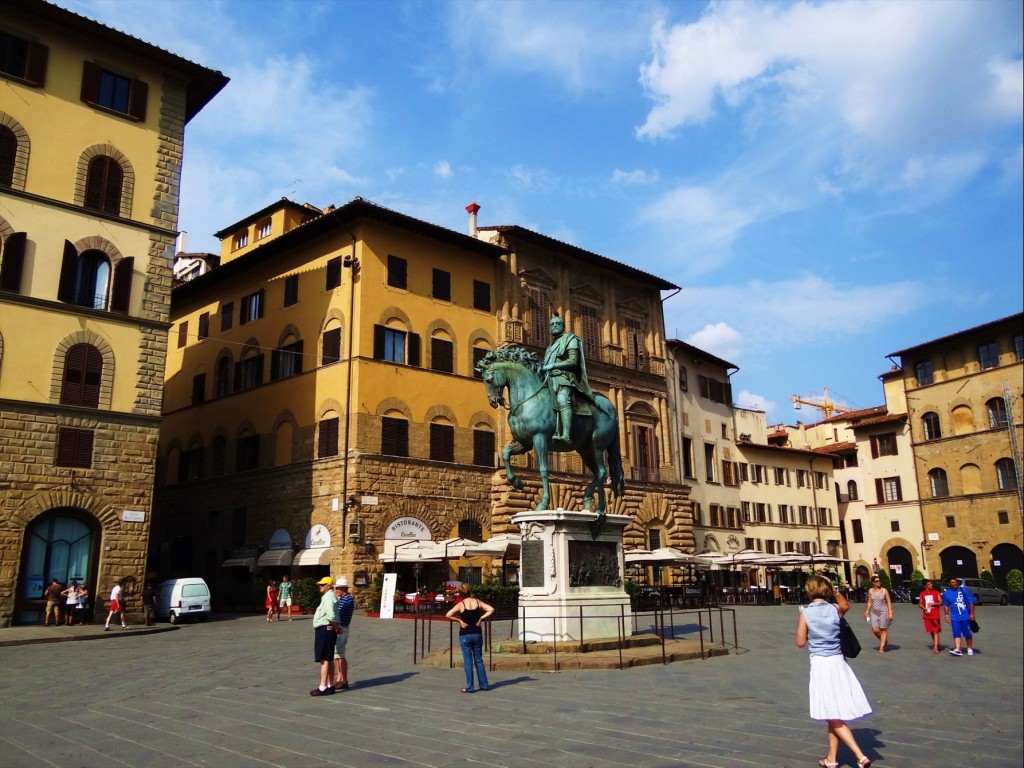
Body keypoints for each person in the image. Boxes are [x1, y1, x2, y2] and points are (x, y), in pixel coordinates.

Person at [796, 574, 873, 768]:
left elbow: (800, 642)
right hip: (839, 662)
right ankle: (831, 758)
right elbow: (845, 604)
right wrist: (834, 589)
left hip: (821, 664)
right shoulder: (835, 609)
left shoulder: (805, 612)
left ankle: (860, 756)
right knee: (833, 711)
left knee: (832, 714)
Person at [541, 314, 594, 444]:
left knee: (562, 398)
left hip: (565, 378)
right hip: (550, 378)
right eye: (552, 324)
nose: (554, 326)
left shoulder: (571, 339)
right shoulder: (550, 347)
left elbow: (573, 361)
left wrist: (553, 365)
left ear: (563, 326)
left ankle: (566, 435)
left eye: (557, 324)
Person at [445, 583, 494, 693]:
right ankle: (484, 685)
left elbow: (448, 614)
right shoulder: (477, 601)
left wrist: (459, 621)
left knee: (468, 662)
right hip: (477, 633)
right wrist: (481, 618)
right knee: (479, 660)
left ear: (461, 594)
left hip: (465, 634)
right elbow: (491, 609)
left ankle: (470, 687)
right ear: (470, 591)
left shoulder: (461, 604)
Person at [310, 576, 341, 696]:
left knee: (324, 659)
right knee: (329, 658)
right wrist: (336, 626)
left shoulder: (327, 597)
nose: (320, 586)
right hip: (329, 629)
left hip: (325, 629)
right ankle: (330, 685)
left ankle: (322, 686)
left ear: (328, 586)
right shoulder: (332, 596)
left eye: (322, 585)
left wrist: (336, 626)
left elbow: (331, 615)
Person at [942, 577, 977, 656]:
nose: (955, 583)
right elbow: (946, 605)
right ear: (949, 584)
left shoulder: (964, 590)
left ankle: (969, 648)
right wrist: (946, 615)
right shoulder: (946, 593)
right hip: (955, 617)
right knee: (956, 633)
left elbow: (971, 602)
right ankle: (958, 649)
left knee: (967, 633)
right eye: (952, 582)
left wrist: (972, 614)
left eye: (955, 582)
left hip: (965, 616)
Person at [333, 577, 355, 690]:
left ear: (343, 588)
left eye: (337, 588)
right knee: (337, 655)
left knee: (340, 655)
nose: (336, 590)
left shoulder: (347, 599)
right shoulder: (343, 599)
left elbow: (337, 613)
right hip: (340, 628)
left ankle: (344, 679)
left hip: (342, 629)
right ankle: (339, 678)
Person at [863, 575, 893, 653]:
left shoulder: (884, 590)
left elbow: (888, 601)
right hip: (874, 612)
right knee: (875, 630)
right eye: (876, 581)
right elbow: (870, 601)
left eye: (879, 581)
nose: (879, 582)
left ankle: (882, 647)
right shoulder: (870, 591)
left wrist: (890, 612)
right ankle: (884, 640)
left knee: (883, 629)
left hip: (883, 611)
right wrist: (867, 611)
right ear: (873, 583)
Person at [918, 579, 942, 654]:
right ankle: (936, 643)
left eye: (931, 584)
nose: (931, 585)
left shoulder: (936, 592)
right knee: (931, 631)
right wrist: (924, 608)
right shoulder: (922, 594)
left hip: (935, 614)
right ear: (925, 586)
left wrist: (933, 603)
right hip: (927, 615)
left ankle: (935, 647)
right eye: (929, 584)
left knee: (935, 630)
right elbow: (920, 603)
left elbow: (940, 602)